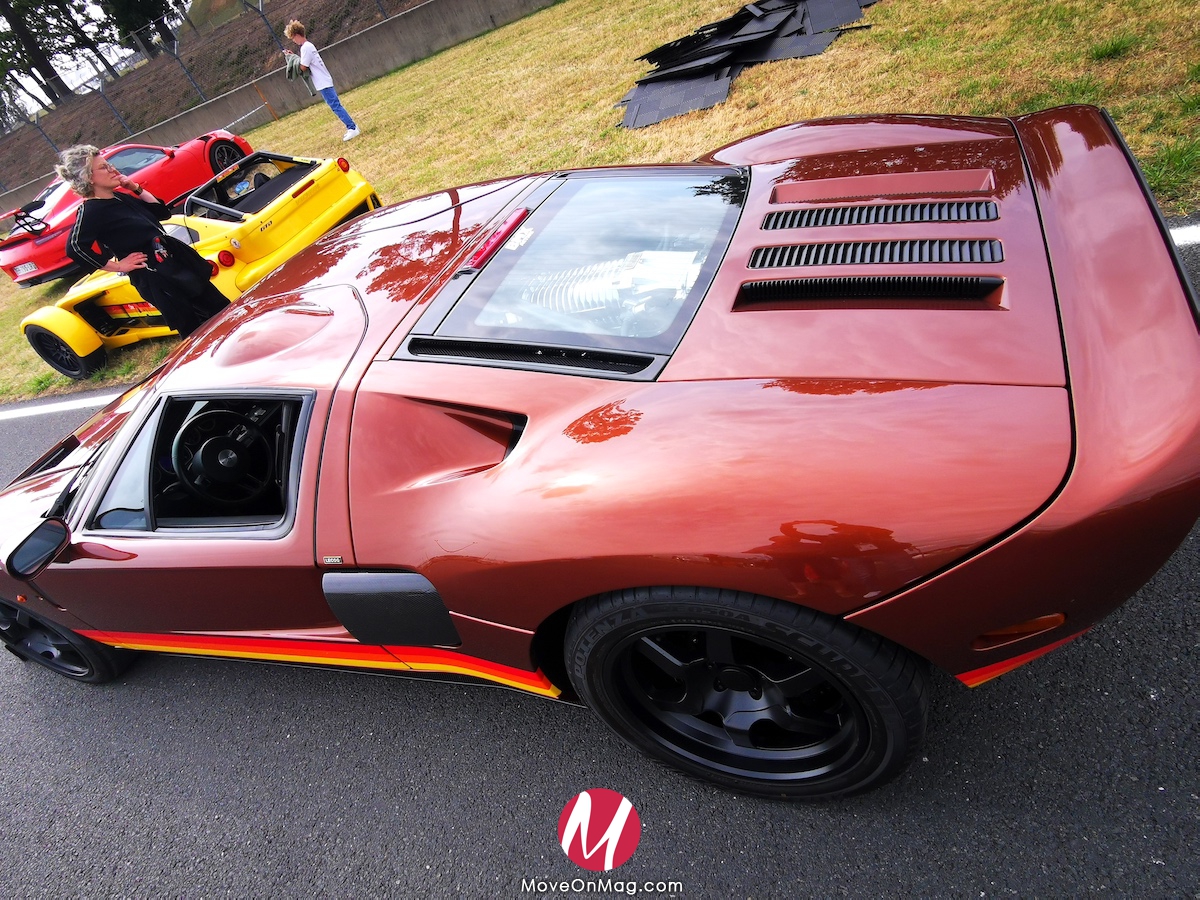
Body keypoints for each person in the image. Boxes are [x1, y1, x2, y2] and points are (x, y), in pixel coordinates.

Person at [57, 145, 230, 339]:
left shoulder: (119, 197)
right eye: (104, 167)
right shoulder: (90, 211)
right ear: (89, 177)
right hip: (155, 276)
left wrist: (135, 188)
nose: (113, 170)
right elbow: (75, 247)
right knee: (193, 330)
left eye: (110, 165)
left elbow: (161, 213)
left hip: (174, 262)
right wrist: (118, 265)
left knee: (222, 309)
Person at [283, 20, 360, 141]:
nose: (293, 40)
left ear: (297, 35)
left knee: (335, 106)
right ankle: (352, 127)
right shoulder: (308, 46)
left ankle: (352, 128)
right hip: (323, 80)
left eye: (293, 38)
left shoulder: (305, 48)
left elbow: (303, 67)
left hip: (322, 82)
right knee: (335, 105)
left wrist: (291, 58)